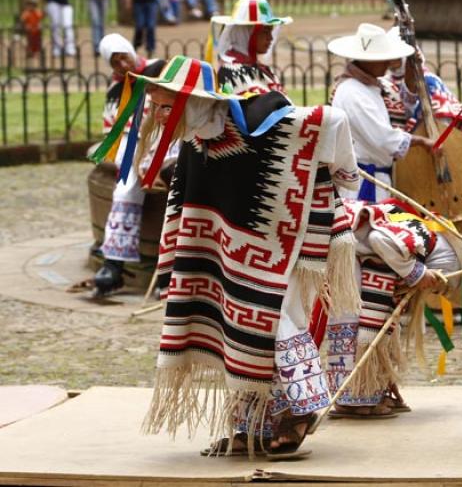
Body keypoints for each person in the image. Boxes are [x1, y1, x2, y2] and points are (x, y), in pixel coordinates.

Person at [90, 55, 360, 457]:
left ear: (194, 100)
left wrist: (345, 176)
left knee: (278, 318)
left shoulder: (260, 116)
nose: (159, 116)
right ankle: (250, 425)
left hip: (279, 249)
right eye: (156, 107)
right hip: (227, 253)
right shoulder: (195, 137)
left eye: (167, 106)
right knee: (231, 329)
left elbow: (333, 121)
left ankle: (304, 409)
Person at [325, 198, 462, 419]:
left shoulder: (418, 232)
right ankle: (357, 401)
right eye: (438, 288)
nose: (433, 292)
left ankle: (368, 392)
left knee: (361, 325)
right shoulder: (423, 236)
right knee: (356, 326)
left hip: (346, 250)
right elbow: (376, 238)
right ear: (445, 267)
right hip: (346, 253)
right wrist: (416, 272)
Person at [90, 34, 168, 297]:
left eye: (123, 56)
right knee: (125, 188)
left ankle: (170, 270)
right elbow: (113, 132)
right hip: (132, 144)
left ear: (130, 50)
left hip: (167, 135)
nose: (122, 64)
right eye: (114, 62)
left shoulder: (161, 69)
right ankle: (114, 266)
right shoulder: (115, 90)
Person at [328, 23, 436, 203]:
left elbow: (401, 109)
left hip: (378, 180)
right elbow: (382, 138)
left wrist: (411, 75)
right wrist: (421, 142)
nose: (388, 63)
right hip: (364, 184)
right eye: (382, 58)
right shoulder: (351, 92)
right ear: (366, 60)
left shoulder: (373, 87)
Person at [211, 0, 291, 96]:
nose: (270, 38)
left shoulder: (259, 67)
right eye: (265, 32)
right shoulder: (230, 72)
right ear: (245, 33)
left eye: (271, 32)